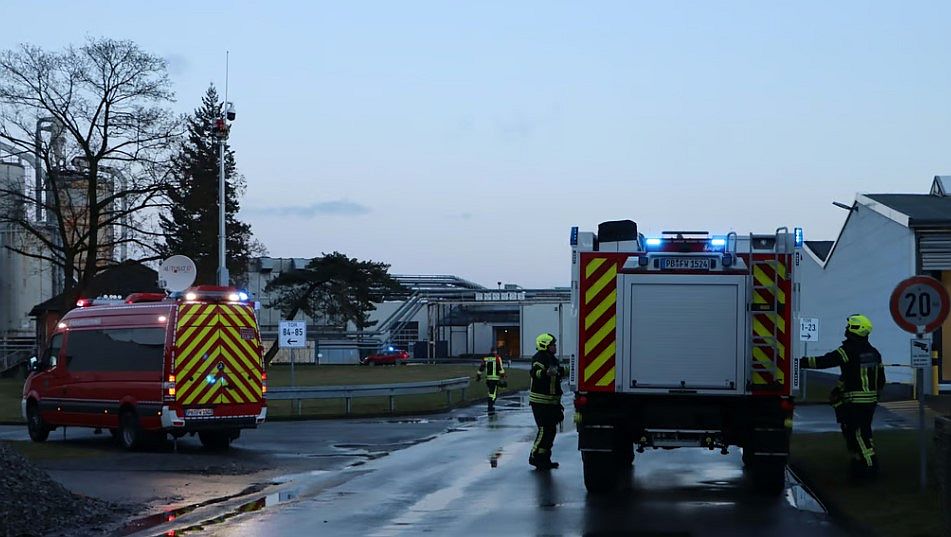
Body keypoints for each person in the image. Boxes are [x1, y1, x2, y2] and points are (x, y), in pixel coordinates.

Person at [799, 314, 885, 479]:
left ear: (856, 329)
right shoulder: (874, 353)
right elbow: (879, 378)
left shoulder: (847, 350)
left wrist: (798, 362)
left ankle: (870, 467)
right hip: (870, 402)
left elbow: (824, 361)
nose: (846, 329)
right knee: (863, 433)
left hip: (855, 402)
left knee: (858, 434)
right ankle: (861, 463)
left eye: (849, 326)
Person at [529, 333, 566, 470]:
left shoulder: (552, 359)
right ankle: (534, 456)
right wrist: (545, 373)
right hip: (540, 402)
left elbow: (559, 372)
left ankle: (544, 458)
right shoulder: (539, 358)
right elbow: (535, 372)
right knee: (544, 430)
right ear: (545, 345)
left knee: (551, 431)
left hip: (551, 402)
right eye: (553, 344)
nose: (555, 347)